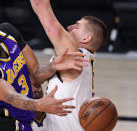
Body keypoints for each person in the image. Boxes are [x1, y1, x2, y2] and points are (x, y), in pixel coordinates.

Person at [0, 18, 88, 131]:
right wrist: (40, 104)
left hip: (24, 119)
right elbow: (12, 97)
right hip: (2, 123)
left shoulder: (7, 32)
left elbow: (36, 74)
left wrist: (54, 66)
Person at [30, 0, 108, 130]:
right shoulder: (85, 61)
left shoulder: (73, 56)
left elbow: (41, 5)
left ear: (86, 38)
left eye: (77, 26)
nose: (69, 27)